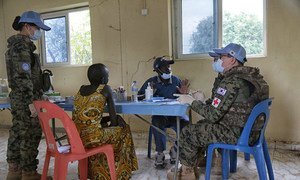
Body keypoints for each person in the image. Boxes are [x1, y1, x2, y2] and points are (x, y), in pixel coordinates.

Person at [168, 43, 269, 179]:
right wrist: (200, 101)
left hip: (236, 134)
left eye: (221, 57)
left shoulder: (232, 81)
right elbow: (225, 107)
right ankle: (195, 160)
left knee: (188, 132)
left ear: (232, 59)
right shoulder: (252, 77)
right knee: (202, 124)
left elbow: (213, 115)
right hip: (251, 132)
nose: (218, 60)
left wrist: (192, 102)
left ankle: (187, 173)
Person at [5, 11, 52, 180]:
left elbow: (29, 77)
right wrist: (31, 102)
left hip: (22, 98)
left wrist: (39, 94)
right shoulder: (21, 47)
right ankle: (29, 173)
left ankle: (15, 171)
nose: (38, 32)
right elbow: (22, 78)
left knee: (18, 132)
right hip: (25, 99)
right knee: (30, 135)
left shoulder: (19, 47)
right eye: (36, 27)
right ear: (26, 26)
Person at [72, 63, 138, 180]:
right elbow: (114, 123)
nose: (108, 78)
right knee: (124, 129)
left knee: (103, 125)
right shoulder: (105, 88)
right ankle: (122, 172)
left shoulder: (81, 89)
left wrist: (108, 120)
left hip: (76, 138)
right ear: (103, 79)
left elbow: (89, 119)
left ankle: (94, 172)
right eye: (107, 76)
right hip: (93, 139)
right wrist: (116, 118)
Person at [138, 56, 190, 169]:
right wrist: (150, 93)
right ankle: (160, 153)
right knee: (156, 122)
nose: (168, 69)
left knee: (186, 123)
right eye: (164, 67)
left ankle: (175, 149)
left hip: (176, 115)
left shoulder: (176, 80)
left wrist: (184, 94)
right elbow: (139, 96)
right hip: (161, 116)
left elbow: (184, 99)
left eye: (169, 66)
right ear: (157, 70)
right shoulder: (151, 82)